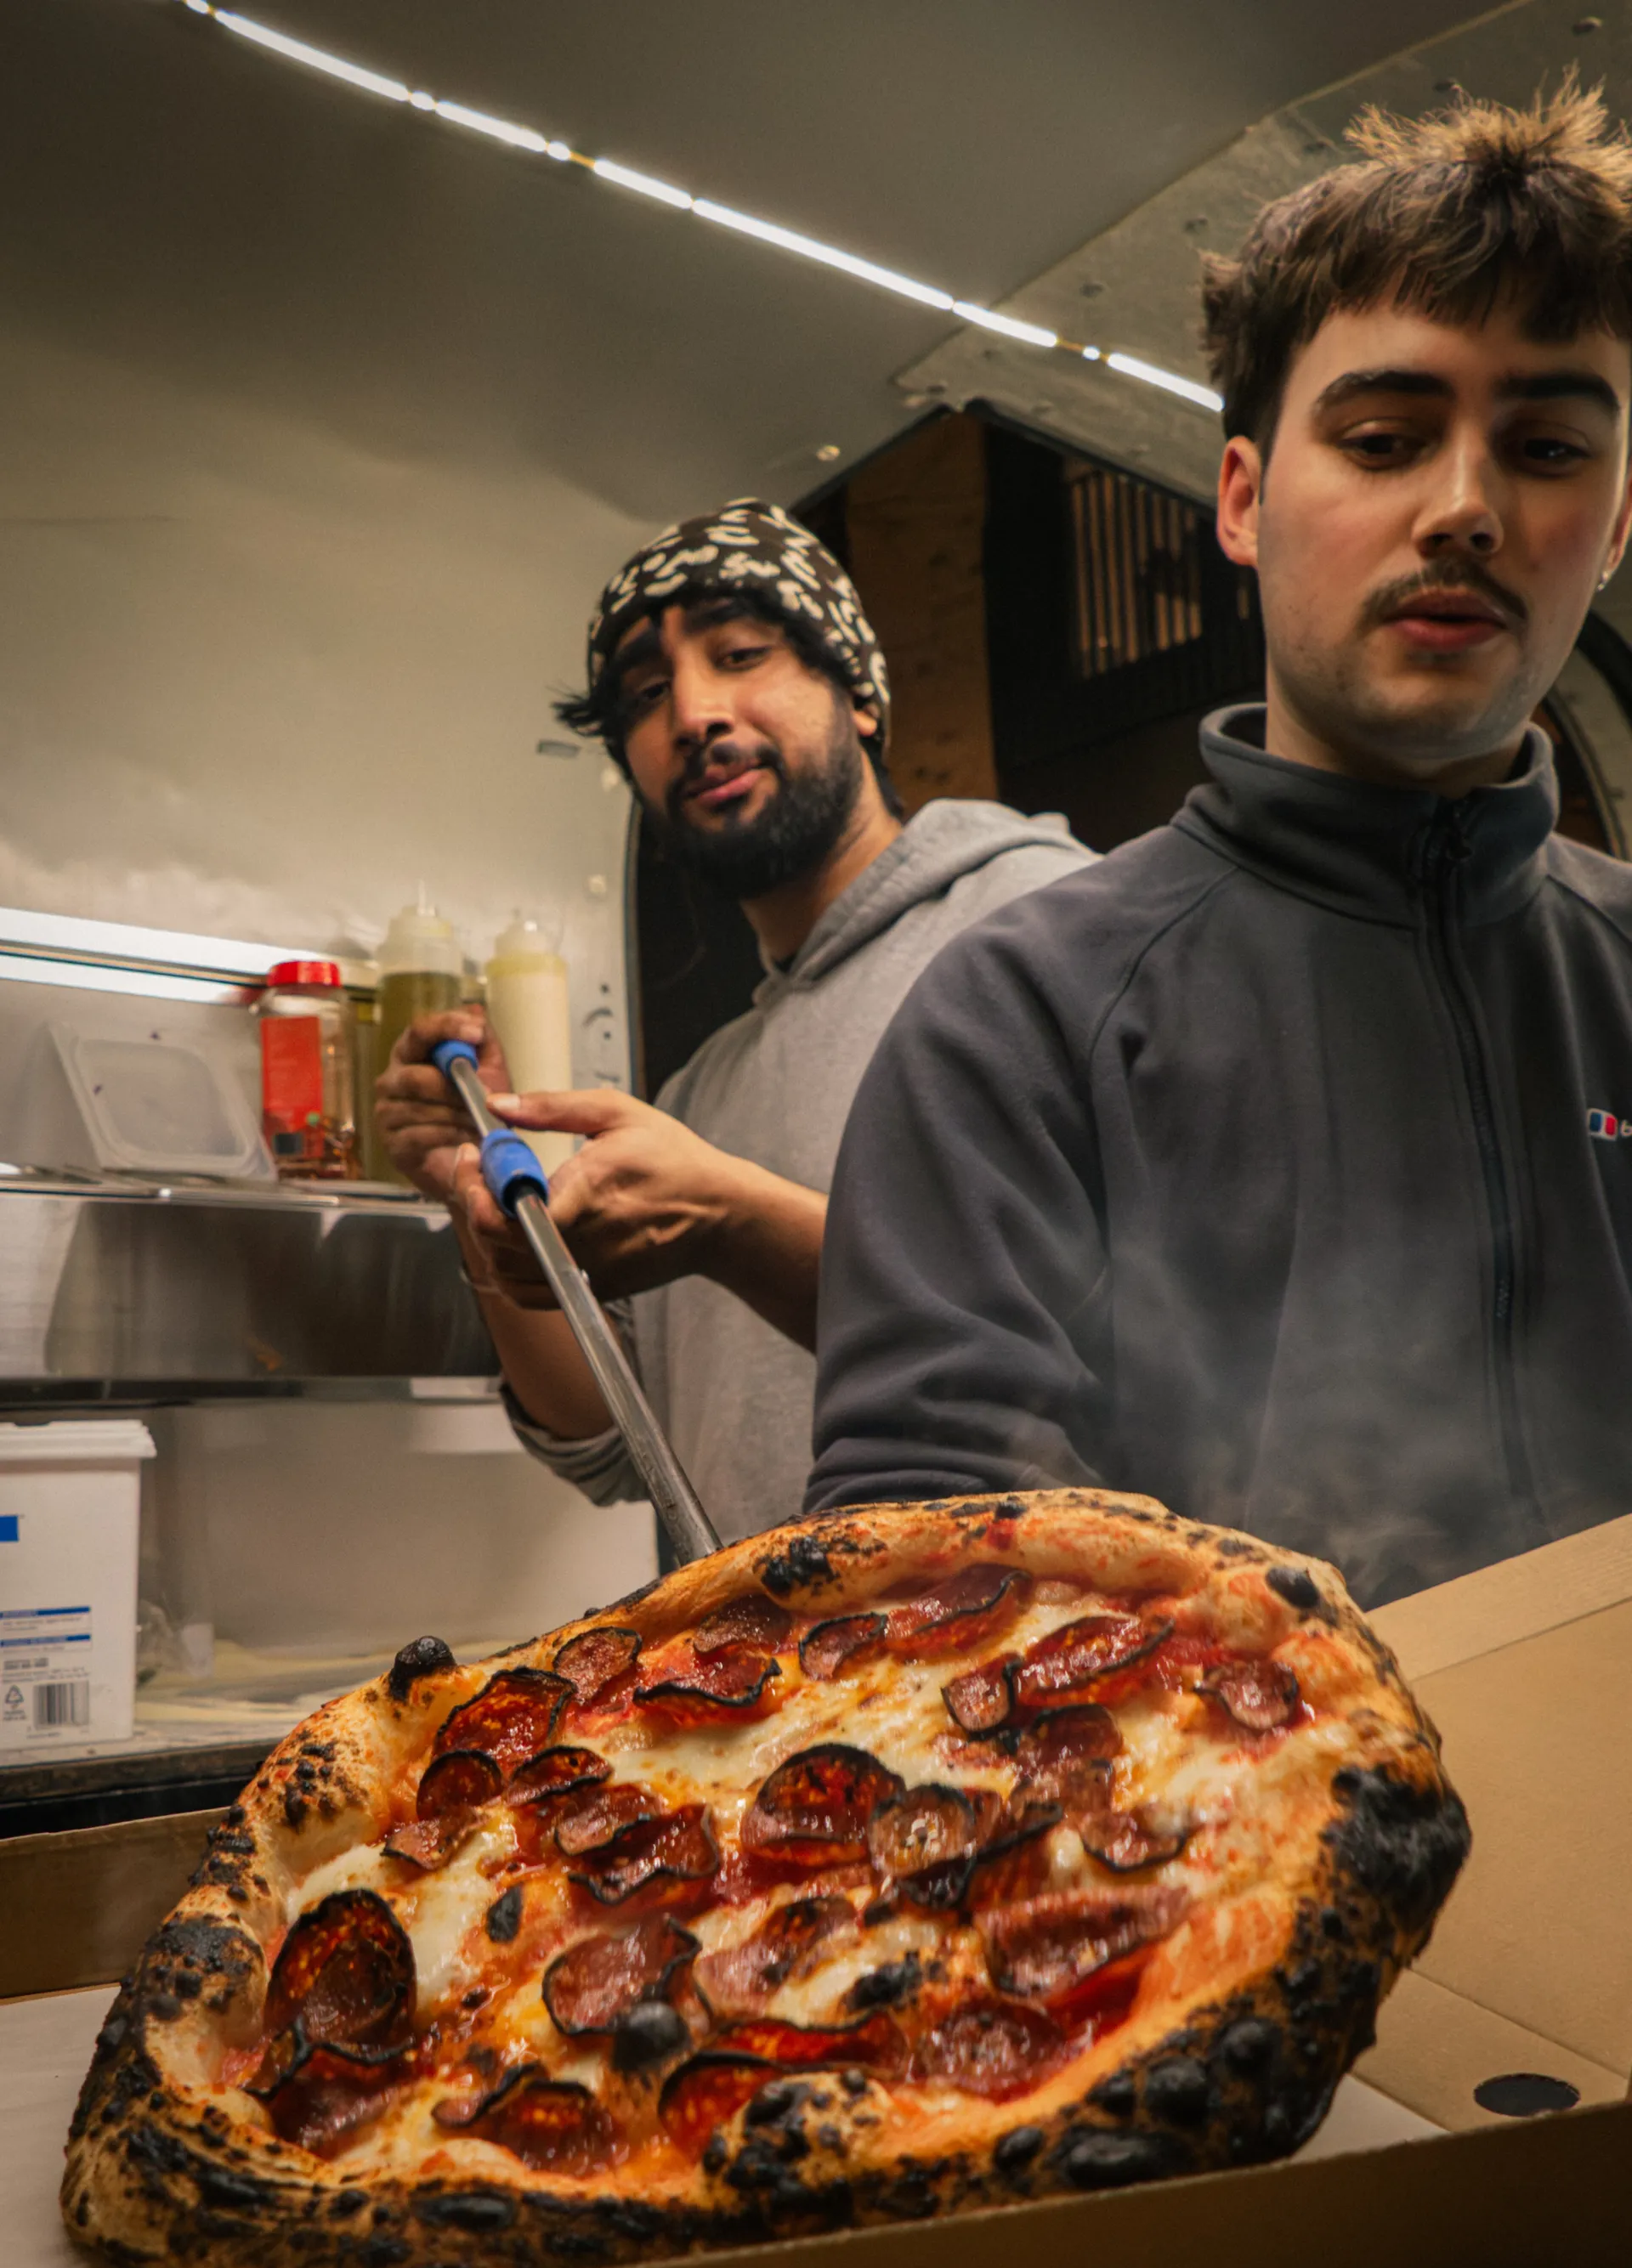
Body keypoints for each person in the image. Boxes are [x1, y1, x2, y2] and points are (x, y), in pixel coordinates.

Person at [807, 84, 1632, 1607]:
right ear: (1243, 499)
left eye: (1547, 447)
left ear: (1620, 519)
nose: (1464, 508)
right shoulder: (1026, 1023)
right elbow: (929, 1611)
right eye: (1386, 438)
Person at [377, 500, 1085, 1543]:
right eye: (647, 695)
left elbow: (1124, 1346)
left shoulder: (1044, 928)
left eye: (742, 652)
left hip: (1018, 1664)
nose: (694, 714)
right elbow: (602, 1438)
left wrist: (728, 1216)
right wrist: (477, 1188)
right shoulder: (703, 1091)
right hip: (763, 1692)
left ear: (858, 694)